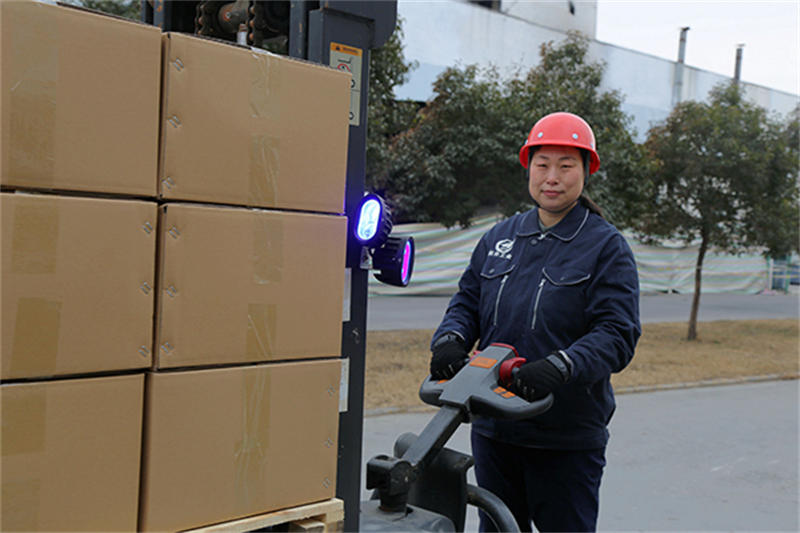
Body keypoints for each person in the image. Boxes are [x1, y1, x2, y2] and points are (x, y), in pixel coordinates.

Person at [429, 111, 641, 532]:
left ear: (586, 172)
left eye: (566, 166)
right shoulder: (500, 237)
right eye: (543, 164)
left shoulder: (606, 247)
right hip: (494, 426)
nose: (552, 177)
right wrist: (450, 340)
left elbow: (617, 334)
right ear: (528, 167)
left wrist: (561, 366)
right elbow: (467, 300)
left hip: (564, 436)